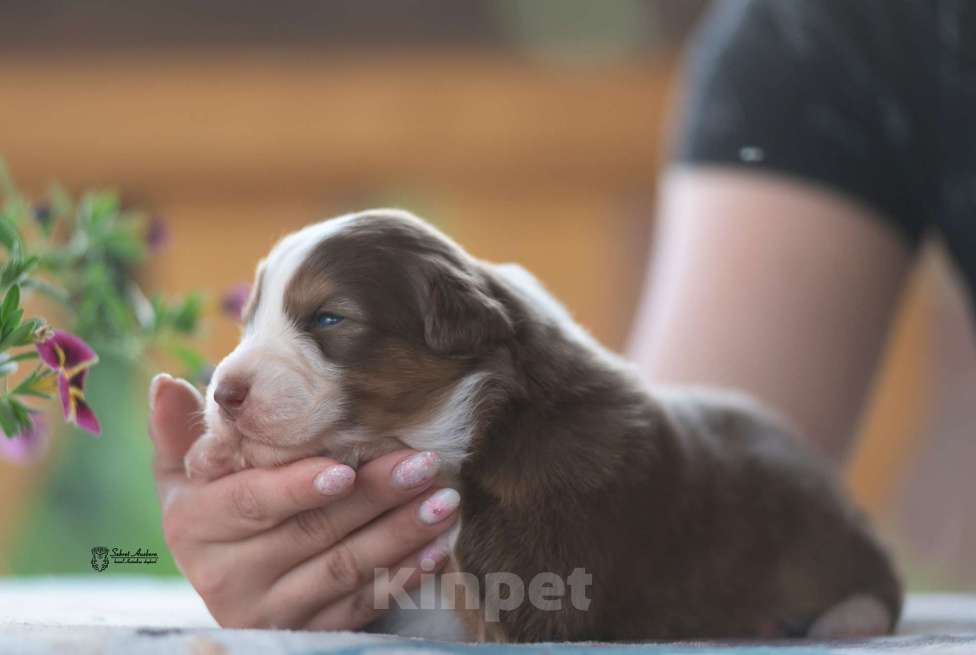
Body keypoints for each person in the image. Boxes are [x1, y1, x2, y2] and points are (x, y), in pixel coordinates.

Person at [150, 0, 976, 629]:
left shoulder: (567, 466)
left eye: (325, 321)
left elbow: (570, 594)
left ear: (458, 326)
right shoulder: (833, 35)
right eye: (256, 320)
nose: (231, 372)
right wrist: (306, 568)